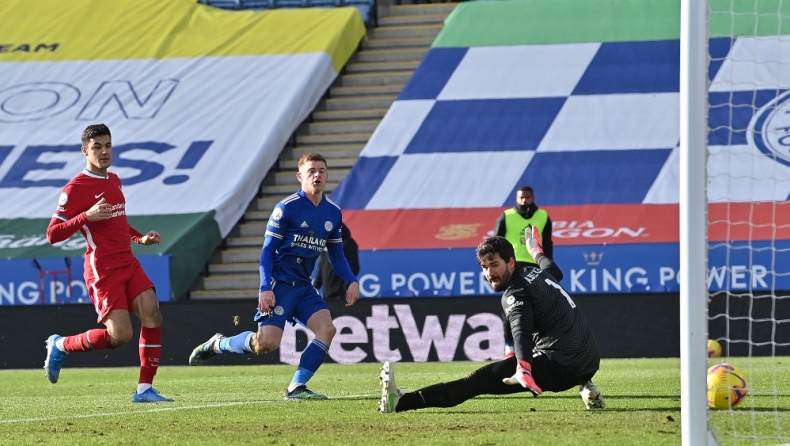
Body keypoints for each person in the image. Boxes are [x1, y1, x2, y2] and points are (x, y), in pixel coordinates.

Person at [189, 153, 360, 400]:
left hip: (303, 286)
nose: (317, 176)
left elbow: (336, 255)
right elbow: (268, 250)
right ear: (300, 176)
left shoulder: (333, 213)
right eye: (311, 171)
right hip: (279, 284)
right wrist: (265, 287)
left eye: (322, 171)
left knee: (327, 329)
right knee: (266, 344)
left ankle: (296, 387)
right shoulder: (287, 208)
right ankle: (219, 344)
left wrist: (351, 280)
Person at [377, 228, 605, 413]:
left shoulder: (515, 293)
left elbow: (521, 332)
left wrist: (523, 367)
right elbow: (553, 270)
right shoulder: (534, 272)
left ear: (511, 263)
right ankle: (587, 386)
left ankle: (400, 402)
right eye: (484, 267)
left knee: (476, 381)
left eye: (494, 265)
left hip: (562, 367)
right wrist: (536, 250)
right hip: (590, 360)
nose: (489, 273)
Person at [43, 123, 172, 403]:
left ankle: (144, 390)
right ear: (84, 151)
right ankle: (61, 344)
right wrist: (85, 216)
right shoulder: (75, 188)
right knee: (120, 335)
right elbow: (52, 234)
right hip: (103, 269)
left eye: (108, 145)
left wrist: (140, 239)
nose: (104, 151)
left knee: (152, 312)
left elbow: (118, 222)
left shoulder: (114, 179)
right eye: (97, 147)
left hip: (128, 261)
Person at [494, 186, 554, 358]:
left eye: (527, 197)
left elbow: (548, 243)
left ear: (533, 197)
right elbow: (495, 243)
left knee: (538, 307)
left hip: (535, 266)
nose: (524, 201)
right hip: (512, 267)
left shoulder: (543, 216)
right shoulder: (507, 216)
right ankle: (509, 348)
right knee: (511, 304)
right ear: (516, 198)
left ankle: (538, 347)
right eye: (521, 198)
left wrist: (546, 264)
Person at [313, 224, 360, 300]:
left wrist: (346, 286)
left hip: (342, 294)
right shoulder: (325, 245)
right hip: (327, 294)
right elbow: (322, 269)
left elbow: (353, 266)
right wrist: (315, 287)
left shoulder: (348, 244)